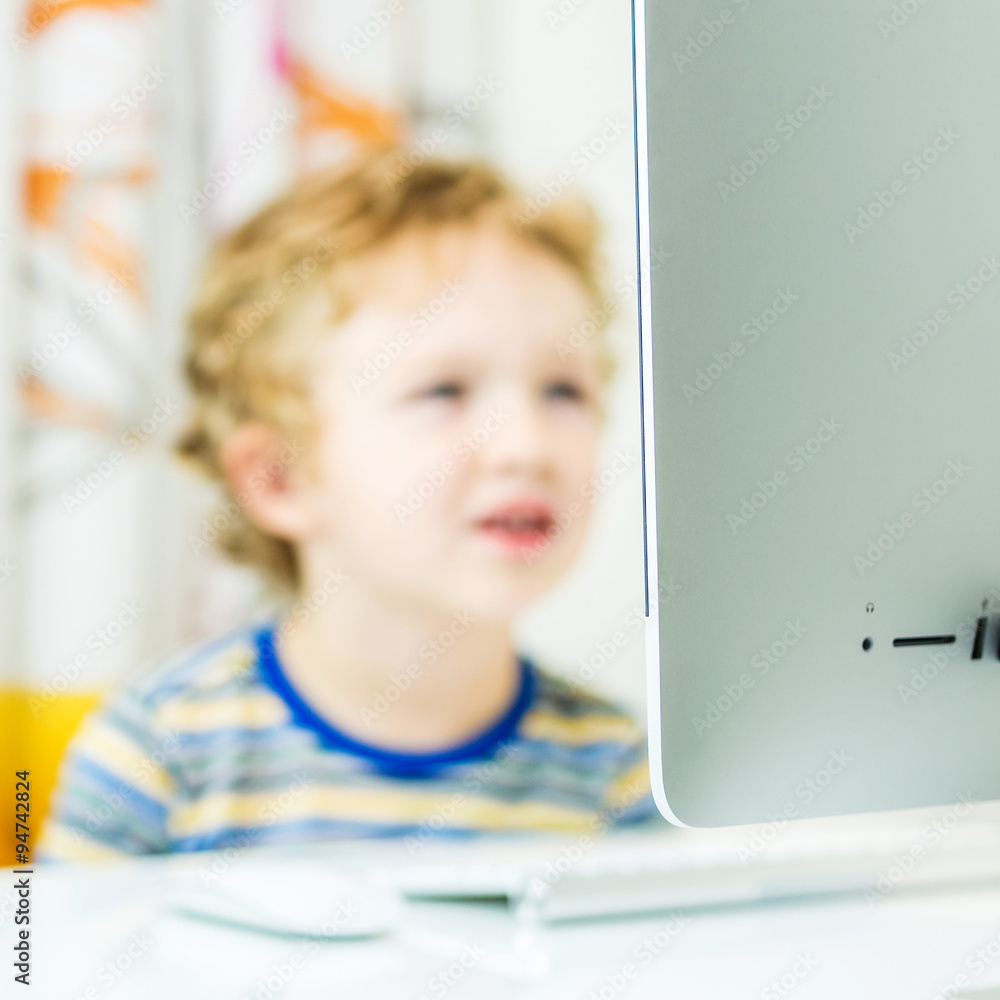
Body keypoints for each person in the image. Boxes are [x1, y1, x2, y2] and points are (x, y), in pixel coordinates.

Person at [41, 148, 655, 859]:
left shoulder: (619, 774)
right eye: (444, 390)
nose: (527, 445)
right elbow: (34, 937)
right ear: (281, 478)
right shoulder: (161, 751)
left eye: (564, 391)